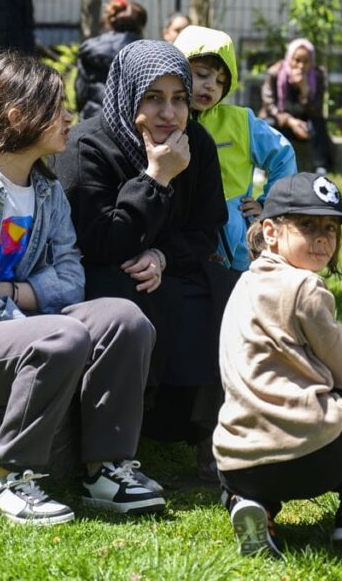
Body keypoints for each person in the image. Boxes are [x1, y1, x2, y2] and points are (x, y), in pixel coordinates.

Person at [0, 52, 165, 526]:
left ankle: (106, 469)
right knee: (62, 336)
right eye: (57, 106)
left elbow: (72, 278)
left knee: (125, 319)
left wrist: (12, 294)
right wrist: (31, 319)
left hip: (17, 323)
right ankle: (11, 476)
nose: (70, 117)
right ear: (16, 116)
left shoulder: (46, 191)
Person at [53, 40, 233, 480]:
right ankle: (127, 433)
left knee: (229, 291)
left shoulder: (198, 144)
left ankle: (214, 434)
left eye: (178, 99)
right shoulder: (87, 147)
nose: (168, 114)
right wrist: (156, 178)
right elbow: (99, 242)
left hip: (169, 267)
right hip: (105, 272)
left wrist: (162, 255)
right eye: (153, 98)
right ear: (128, 95)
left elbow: (207, 227)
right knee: (128, 295)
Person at [214, 172, 342, 559]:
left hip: (235, 461)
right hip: (306, 460)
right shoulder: (305, 288)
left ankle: (254, 508)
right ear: (270, 232)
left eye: (330, 228)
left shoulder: (243, 284)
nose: (321, 238)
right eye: (307, 225)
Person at [173, 25, 297, 271]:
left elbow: (283, 155)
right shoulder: (165, 119)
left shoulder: (240, 121)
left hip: (235, 248)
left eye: (220, 81)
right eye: (201, 74)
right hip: (180, 237)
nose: (211, 86)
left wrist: (269, 206)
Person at [259, 39, 335, 175]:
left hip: (303, 124)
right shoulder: (275, 73)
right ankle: (260, 167)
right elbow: (269, 105)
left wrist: (305, 90)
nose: (300, 66)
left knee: (319, 123)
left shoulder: (317, 76)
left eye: (306, 61)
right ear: (289, 58)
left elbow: (317, 109)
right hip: (280, 121)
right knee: (265, 125)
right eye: (297, 60)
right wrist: (290, 121)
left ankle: (321, 168)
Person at [75, 0, 148, 119]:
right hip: (129, 120)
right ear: (141, 26)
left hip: (93, 118)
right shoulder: (145, 51)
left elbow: (81, 91)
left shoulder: (90, 48)